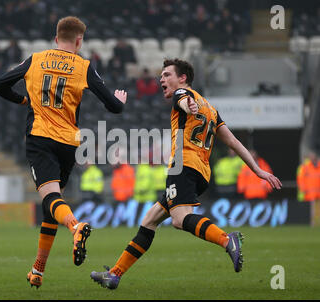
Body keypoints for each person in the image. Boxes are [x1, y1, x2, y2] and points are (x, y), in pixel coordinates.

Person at [90, 58, 282, 289]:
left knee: (179, 220)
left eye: (167, 74)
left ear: (183, 78)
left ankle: (226, 239)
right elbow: (232, 141)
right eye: (161, 75)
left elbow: (183, 99)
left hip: (183, 167)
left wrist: (185, 104)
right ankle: (115, 274)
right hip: (201, 171)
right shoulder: (210, 108)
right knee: (150, 220)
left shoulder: (183, 93)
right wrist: (257, 169)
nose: (162, 79)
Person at [0, 16, 127, 289]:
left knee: (51, 198)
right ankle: (38, 270)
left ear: (56, 38)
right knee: (51, 205)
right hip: (68, 142)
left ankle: (75, 226)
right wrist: (120, 100)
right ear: (79, 41)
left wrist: (23, 99)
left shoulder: (35, 59)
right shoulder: (84, 66)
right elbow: (113, 106)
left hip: (40, 137)